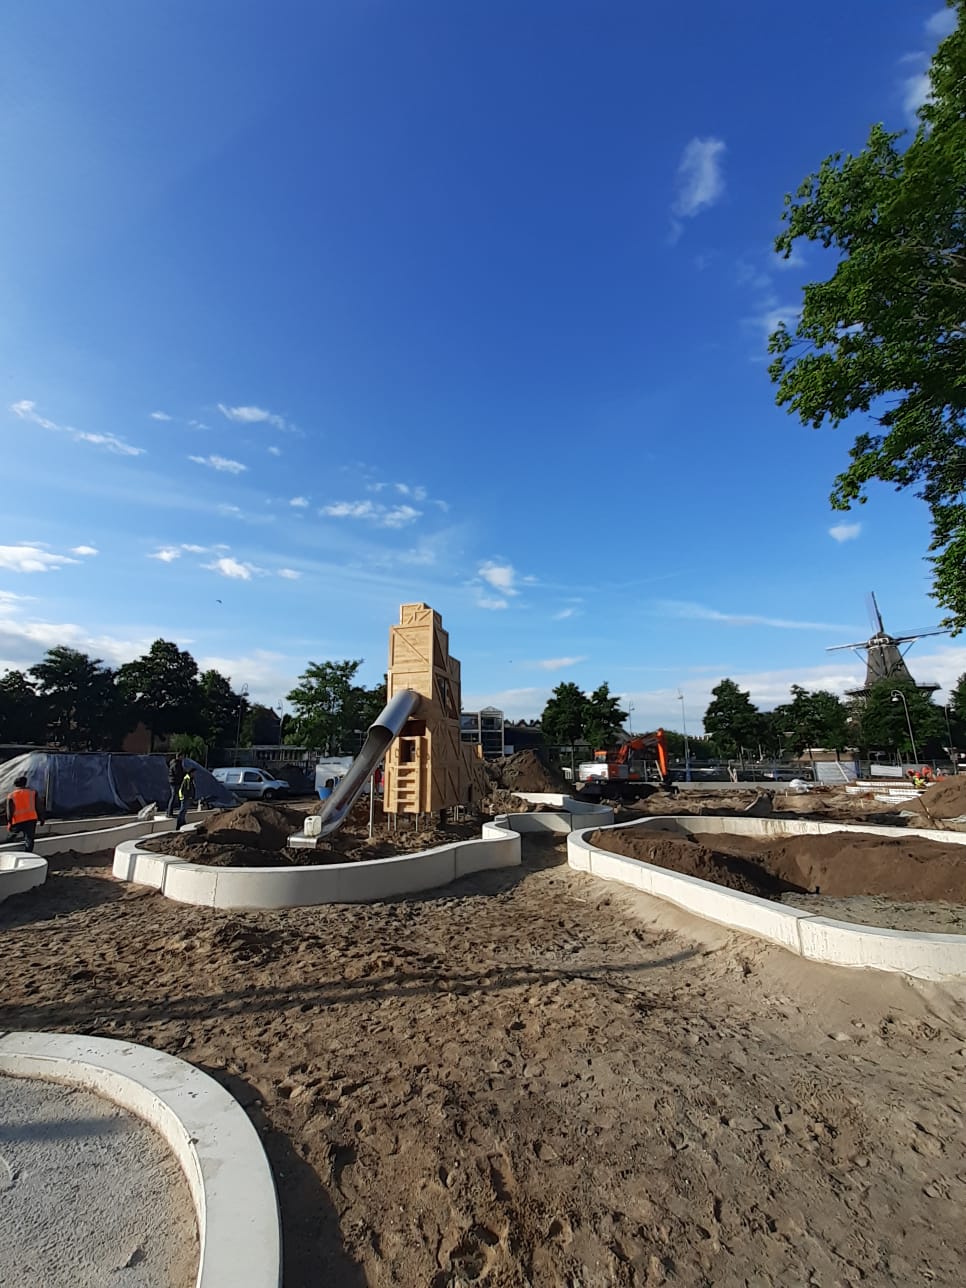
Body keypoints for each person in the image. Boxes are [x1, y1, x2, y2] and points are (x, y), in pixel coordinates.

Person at [6, 775, 45, 852]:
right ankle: (28, 853)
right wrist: (41, 818)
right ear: (25, 783)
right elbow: (39, 806)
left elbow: (9, 811)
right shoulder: (32, 793)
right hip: (31, 819)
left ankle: (8, 847)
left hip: (17, 820)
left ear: (15, 785)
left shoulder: (11, 796)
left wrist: (9, 822)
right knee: (29, 839)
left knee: (12, 834)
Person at [176, 766, 196, 830]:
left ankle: (182, 822)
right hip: (185, 797)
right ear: (191, 773)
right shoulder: (187, 779)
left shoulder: (190, 779)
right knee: (183, 810)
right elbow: (186, 789)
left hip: (186, 797)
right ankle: (179, 823)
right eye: (193, 773)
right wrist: (188, 796)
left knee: (184, 810)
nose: (194, 774)